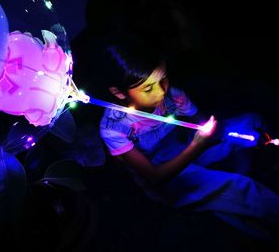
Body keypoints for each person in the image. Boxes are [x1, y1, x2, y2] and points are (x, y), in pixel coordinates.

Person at [97, 35, 279, 241]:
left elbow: (201, 123)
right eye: (148, 88)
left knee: (251, 122)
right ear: (119, 93)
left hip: (185, 146)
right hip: (167, 178)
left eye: (163, 79)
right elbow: (155, 177)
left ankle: (258, 162)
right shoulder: (114, 128)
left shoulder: (172, 93)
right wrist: (197, 147)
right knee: (239, 187)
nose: (160, 92)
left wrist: (215, 132)